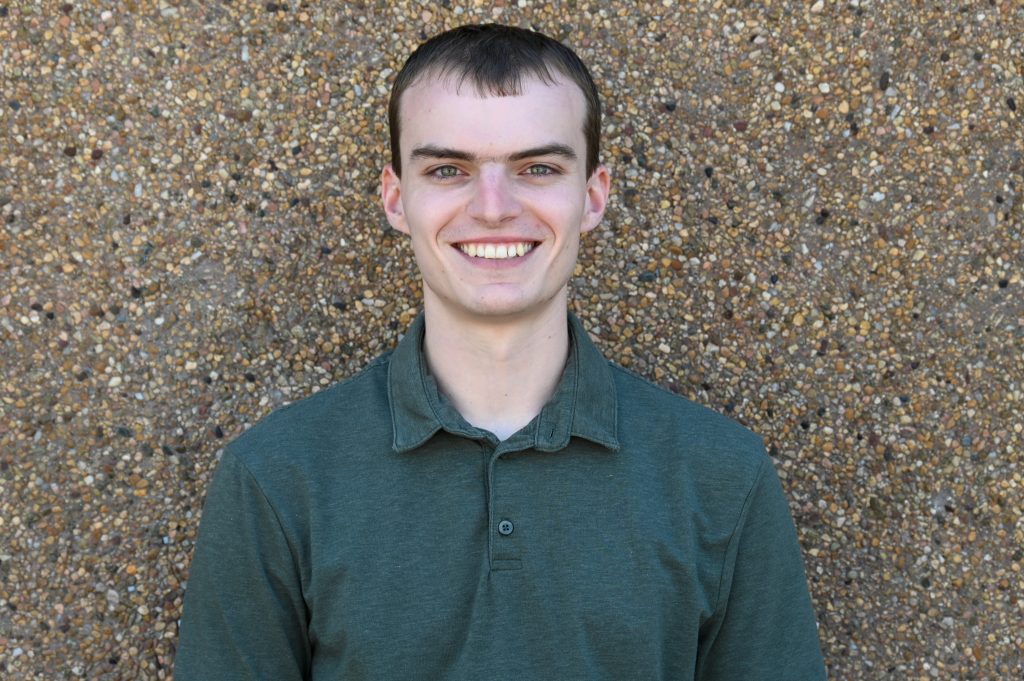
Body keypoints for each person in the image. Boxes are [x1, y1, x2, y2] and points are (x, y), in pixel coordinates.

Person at [175, 23, 827, 680]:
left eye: (537, 168)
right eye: (448, 170)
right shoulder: (278, 476)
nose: (493, 208)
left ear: (592, 196)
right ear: (397, 198)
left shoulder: (720, 475)